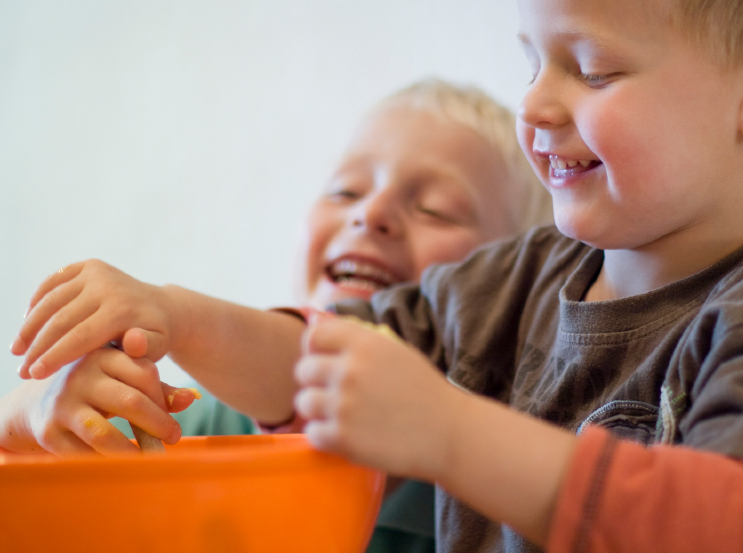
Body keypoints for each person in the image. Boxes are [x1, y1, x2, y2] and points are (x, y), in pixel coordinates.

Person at [8, 0, 743, 552]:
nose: (534, 104)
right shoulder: (510, 281)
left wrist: (450, 432)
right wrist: (176, 313)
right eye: (532, 62)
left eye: (592, 67)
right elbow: (320, 366)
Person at [0, 79, 553, 553]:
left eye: (435, 208)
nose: (371, 213)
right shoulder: (199, 425)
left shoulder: (499, 468)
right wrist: (29, 415)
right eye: (345, 190)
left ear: (504, 284)